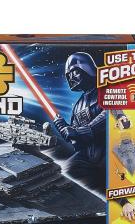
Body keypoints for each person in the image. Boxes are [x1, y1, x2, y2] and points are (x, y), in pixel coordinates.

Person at [53, 52, 129, 190]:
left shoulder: (107, 90)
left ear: (87, 69)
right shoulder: (78, 106)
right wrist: (65, 128)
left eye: (75, 72)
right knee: (66, 171)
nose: (71, 78)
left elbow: (111, 114)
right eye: (68, 75)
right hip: (89, 158)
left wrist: (82, 131)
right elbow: (76, 141)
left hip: (111, 153)